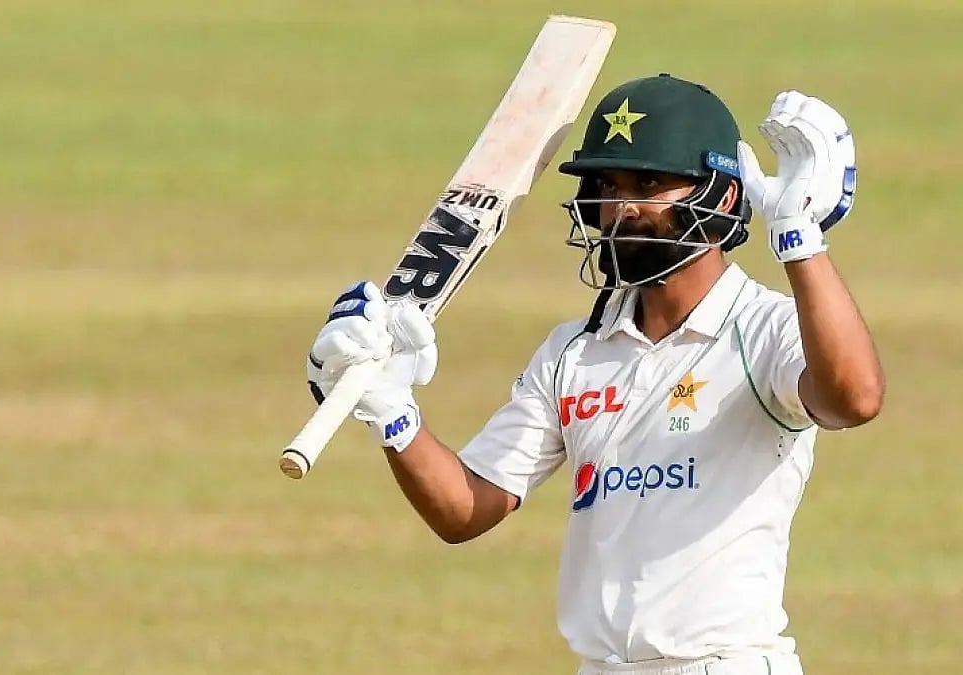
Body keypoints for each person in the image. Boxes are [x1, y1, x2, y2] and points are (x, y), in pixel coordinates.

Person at [306, 74, 884, 675]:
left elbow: (855, 398)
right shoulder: (573, 354)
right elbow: (464, 510)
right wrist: (393, 413)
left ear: (723, 195)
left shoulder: (763, 329)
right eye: (609, 185)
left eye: (650, 183)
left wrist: (797, 239)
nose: (622, 207)